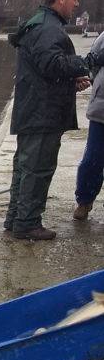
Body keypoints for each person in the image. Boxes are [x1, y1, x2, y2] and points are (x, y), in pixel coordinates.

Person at [4, 0, 94, 241]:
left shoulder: (40, 23)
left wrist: (70, 80)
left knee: (24, 167)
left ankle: (16, 219)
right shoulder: (48, 28)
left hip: (33, 109)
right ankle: (27, 224)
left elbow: (45, 68)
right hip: (42, 114)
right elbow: (52, 64)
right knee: (38, 168)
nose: (77, 4)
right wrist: (85, 63)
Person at [73, 29, 104, 221]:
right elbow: (92, 61)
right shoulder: (103, 38)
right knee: (92, 159)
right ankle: (84, 201)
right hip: (102, 110)